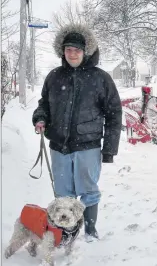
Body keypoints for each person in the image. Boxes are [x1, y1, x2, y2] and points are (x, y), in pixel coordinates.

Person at [32, 23, 122, 242]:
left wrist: (109, 149)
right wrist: (40, 117)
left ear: (85, 51)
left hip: (88, 146)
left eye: (77, 50)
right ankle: (66, 232)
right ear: (62, 51)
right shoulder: (54, 77)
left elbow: (114, 114)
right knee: (64, 193)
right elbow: (44, 103)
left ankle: (90, 231)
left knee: (88, 190)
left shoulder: (101, 78)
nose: (72, 54)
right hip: (59, 146)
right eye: (68, 50)